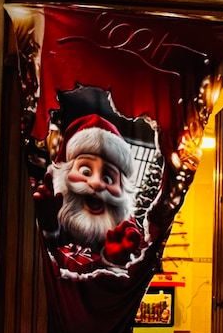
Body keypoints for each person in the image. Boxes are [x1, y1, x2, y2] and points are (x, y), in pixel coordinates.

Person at [35, 113, 144, 270]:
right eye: (85, 171)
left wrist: (117, 262)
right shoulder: (45, 214)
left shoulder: (126, 233)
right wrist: (49, 231)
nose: (96, 183)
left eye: (108, 178)